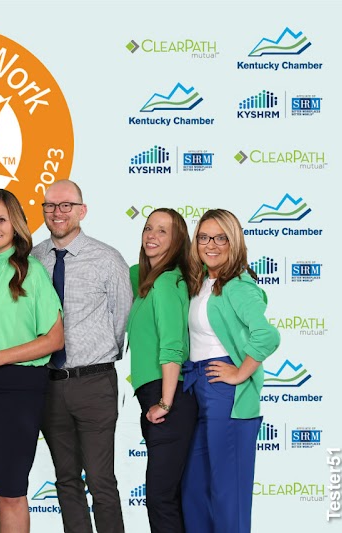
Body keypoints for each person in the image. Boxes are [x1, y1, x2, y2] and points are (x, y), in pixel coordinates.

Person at [0, 189, 64, 533]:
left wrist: (0, 357)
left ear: (15, 224)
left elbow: (54, 339)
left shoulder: (31, 271)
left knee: (12, 491)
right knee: (1, 488)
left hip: (16, 390)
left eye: (1, 219)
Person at [31, 180, 131, 533]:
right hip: (49, 384)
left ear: (82, 210)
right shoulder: (34, 259)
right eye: (50, 206)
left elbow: (122, 319)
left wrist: (96, 355)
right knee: (66, 479)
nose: (57, 212)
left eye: (66, 205)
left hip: (94, 383)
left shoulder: (107, 258)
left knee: (101, 480)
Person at [181, 209, 280, 533]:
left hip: (227, 394)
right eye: (204, 237)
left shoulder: (237, 285)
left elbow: (267, 335)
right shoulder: (202, 282)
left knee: (228, 493)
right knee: (194, 490)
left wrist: (239, 373)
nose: (211, 245)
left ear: (233, 242)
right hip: (197, 385)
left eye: (220, 238)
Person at [127, 208, 198, 533]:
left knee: (161, 499)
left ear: (177, 241)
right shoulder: (148, 281)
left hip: (169, 397)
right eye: (148, 228)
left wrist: (165, 402)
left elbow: (172, 346)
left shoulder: (167, 282)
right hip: (156, 396)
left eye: (162, 231)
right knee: (168, 497)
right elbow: (124, 272)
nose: (151, 236)